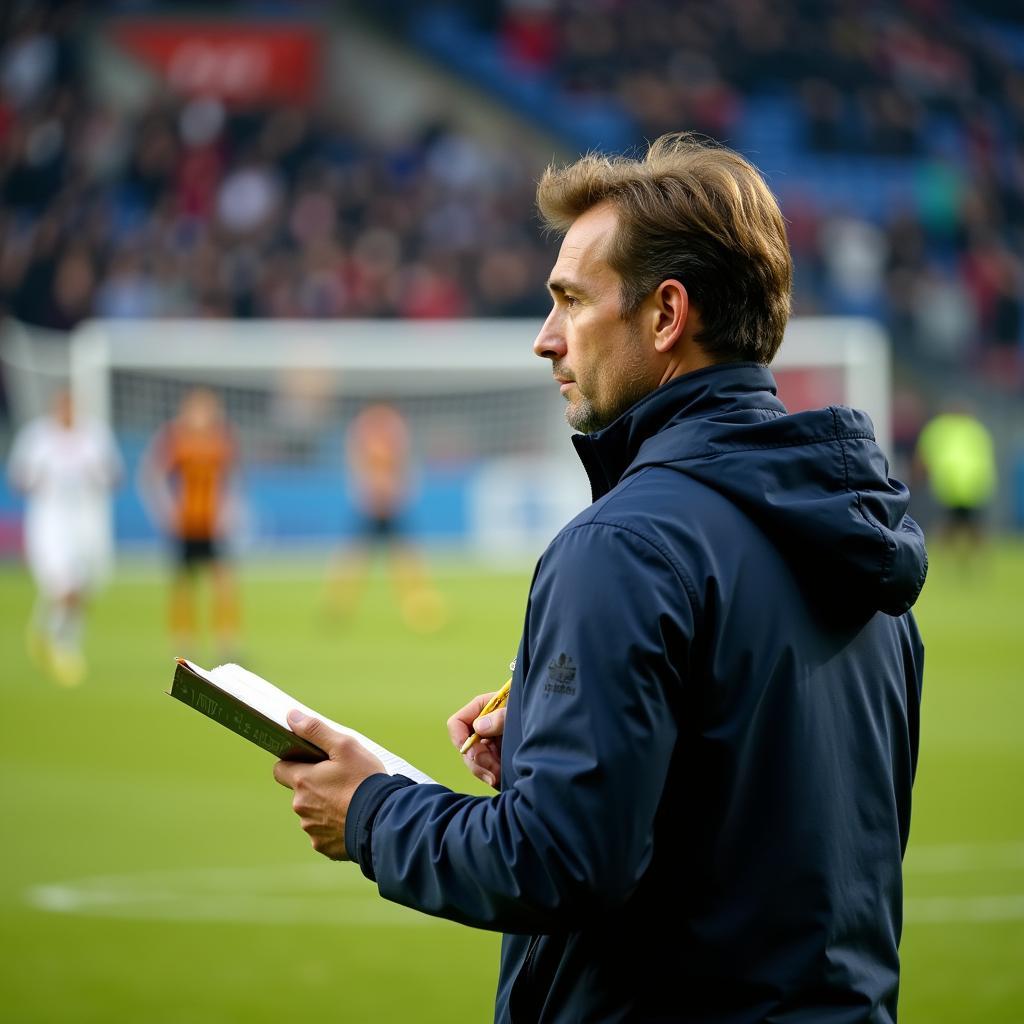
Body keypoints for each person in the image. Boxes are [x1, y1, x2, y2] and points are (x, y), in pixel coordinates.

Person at [273, 134, 927, 1023]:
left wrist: (371, 813)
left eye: (571, 300)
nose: (546, 340)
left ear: (665, 316)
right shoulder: (862, 544)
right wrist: (566, 738)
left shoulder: (626, 545)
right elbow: (767, 827)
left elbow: (558, 863)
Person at [7, 388, 122, 686]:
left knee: (84, 587)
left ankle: (53, 635)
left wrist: (98, 475)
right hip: (50, 523)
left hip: (89, 522)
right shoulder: (37, 438)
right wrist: (37, 480)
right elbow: (18, 479)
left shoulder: (94, 435)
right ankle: (59, 646)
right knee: (66, 584)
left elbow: (114, 476)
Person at [139, 387, 241, 658]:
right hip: (185, 523)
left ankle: (226, 643)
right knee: (184, 583)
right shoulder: (175, 438)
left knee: (223, 582)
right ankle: (183, 644)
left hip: (212, 524)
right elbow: (153, 475)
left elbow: (230, 479)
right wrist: (165, 511)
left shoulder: (221, 439)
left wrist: (227, 511)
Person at [325, 402, 445, 632]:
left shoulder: (372, 430)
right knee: (378, 556)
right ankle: (418, 607)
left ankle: (339, 605)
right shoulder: (382, 432)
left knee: (391, 556)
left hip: (383, 503)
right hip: (378, 504)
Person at [914, 403, 997, 564]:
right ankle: (972, 561)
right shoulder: (974, 429)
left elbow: (923, 455)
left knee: (959, 526)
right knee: (965, 526)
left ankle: (951, 560)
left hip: (957, 486)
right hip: (963, 486)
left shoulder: (940, 428)